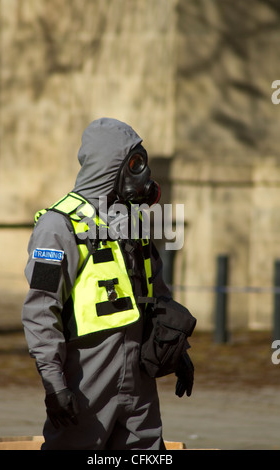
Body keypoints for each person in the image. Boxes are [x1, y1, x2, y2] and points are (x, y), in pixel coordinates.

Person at [21, 117, 195, 450]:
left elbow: (156, 294)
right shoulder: (58, 228)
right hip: (87, 377)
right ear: (110, 165)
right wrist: (55, 384)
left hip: (139, 378)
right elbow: (41, 309)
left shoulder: (132, 223)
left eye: (140, 162)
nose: (141, 173)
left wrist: (178, 350)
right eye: (134, 163)